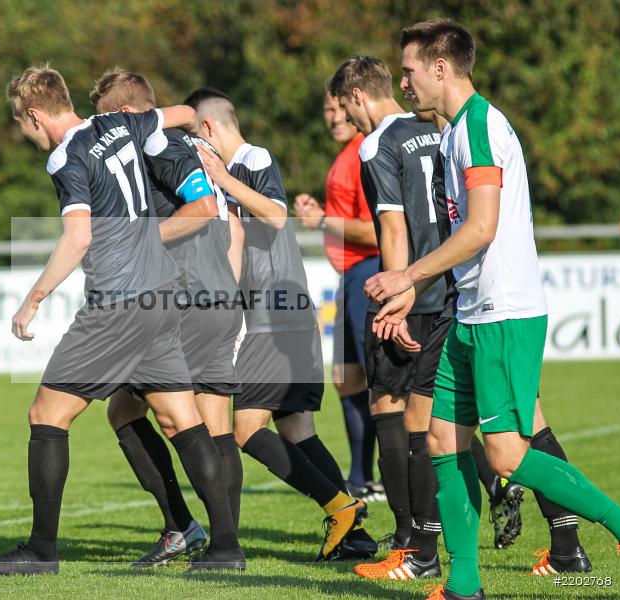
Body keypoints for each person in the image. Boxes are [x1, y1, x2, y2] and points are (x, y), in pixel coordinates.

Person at [366, 20, 620, 599]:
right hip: (471, 314)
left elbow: (482, 228)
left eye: (408, 71)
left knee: (507, 453)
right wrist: (414, 290)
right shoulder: (456, 131)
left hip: (504, 313)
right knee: (441, 439)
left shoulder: (479, 126)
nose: (403, 83)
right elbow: (467, 235)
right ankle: (463, 585)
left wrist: (408, 273)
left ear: (440, 67)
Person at [0, 66, 245, 576]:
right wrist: (149, 119)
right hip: (162, 296)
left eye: (20, 123)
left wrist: (33, 298)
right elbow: (188, 113)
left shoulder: (66, 156)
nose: (24, 133)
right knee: (181, 421)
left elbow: (77, 238)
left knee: (46, 415)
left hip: (117, 305)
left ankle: (40, 551)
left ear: (35, 114)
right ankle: (226, 549)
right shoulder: (120, 126)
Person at [191, 87, 377, 561]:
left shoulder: (253, 159)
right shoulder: (238, 170)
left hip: (276, 318)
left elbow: (276, 216)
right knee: (298, 432)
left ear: (208, 128)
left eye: (196, 137)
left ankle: (340, 507)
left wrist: (224, 181)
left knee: (246, 432)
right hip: (286, 316)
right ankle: (354, 536)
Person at [89, 69, 245, 566]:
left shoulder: (157, 145)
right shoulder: (190, 146)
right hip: (216, 294)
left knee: (128, 411)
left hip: (185, 299)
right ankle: (225, 542)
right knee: (214, 425)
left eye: (106, 121)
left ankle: (186, 529)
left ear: (126, 114)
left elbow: (200, 208)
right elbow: (225, 218)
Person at [328, 55, 448, 579]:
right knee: (435, 420)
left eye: (347, 111)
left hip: (409, 290)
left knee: (390, 410)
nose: (351, 123)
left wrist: (396, 297)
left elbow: (393, 230)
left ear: (357, 96)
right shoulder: (437, 127)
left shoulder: (378, 145)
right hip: (447, 288)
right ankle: (430, 536)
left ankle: (409, 538)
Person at [294, 84, 381, 503]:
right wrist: (320, 215)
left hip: (369, 273)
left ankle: (487, 476)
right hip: (348, 278)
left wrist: (324, 220)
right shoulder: (346, 157)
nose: (332, 118)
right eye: (327, 110)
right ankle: (361, 477)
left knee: (387, 386)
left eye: (338, 108)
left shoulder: (365, 153)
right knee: (347, 380)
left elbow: (376, 229)